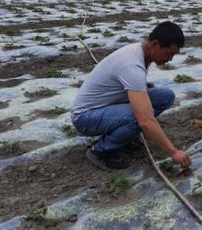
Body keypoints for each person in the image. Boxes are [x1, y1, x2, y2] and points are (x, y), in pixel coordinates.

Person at [71, 21, 191, 171]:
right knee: (139, 117)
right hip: (85, 117)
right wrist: (173, 152)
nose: (170, 59)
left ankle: (123, 138)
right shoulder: (132, 65)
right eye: (169, 53)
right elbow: (145, 120)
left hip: (106, 106)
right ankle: (101, 150)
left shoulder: (140, 52)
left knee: (165, 96)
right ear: (155, 44)